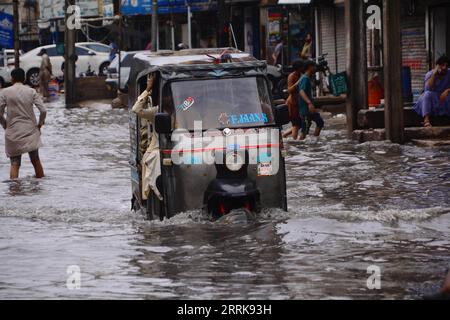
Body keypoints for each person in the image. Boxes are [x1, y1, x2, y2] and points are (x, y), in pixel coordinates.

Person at [0, 68, 46, 180]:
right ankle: (40, 187)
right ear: (24, 78)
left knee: (15, 164)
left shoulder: (5, 92)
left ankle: (15, 192)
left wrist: (5, 125)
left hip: (13, 132)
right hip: (30, 130)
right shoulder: (31, 91)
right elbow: (43, 111)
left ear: (12, 79)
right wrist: (39, 125)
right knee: (35, 160)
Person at [131, 74, 162, 201]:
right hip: (158, 149)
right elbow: (136, 109)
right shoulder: (156, 111)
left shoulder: (183, 109)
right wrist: (147, 90)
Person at [414, 55, 450, 127]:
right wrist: (434, 74)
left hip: (444, 97)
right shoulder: (430, 74)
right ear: (437, 66)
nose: (444, 68)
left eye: (446, 66)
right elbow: (428, 88)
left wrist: (448, 90)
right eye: (442, 65)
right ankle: (426, 120)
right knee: (427, 94)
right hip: (432, 97)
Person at [298, 60, 324, 140]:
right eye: (314, 66)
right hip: (305, 109)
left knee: (320, 122)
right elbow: (301, 91)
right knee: (305, 129)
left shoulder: (307, 78)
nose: (315, 68)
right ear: (310, 67)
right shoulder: (305, 78)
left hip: (310, 108)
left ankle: (314, 141)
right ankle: (300, 145)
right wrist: (309, 103)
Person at [283, 60, 305, 140]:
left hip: (299, 103)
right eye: (302, 67)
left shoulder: (301, 75)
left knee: (299, 124)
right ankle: (294, 142)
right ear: (298, 68)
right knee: (296, 124)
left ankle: (284, 135)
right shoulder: (291, 76)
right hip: (292, 104)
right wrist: (298, 82)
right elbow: (289, 90)